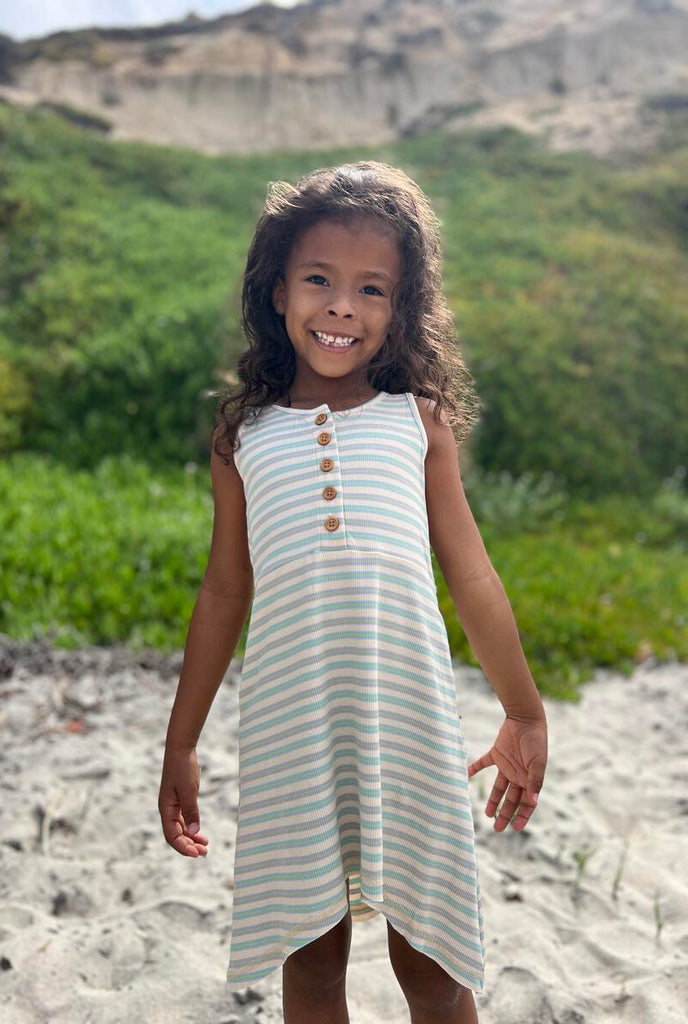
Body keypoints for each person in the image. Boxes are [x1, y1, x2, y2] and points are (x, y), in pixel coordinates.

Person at [158, 160, 548, 1024]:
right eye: (319, 281)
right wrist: (181, 743)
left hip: (409, 723)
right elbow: (223, 592)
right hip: (291, 729)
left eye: (372, 289)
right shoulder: (242, 436)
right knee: (311, 959)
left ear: (401, 308)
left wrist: (524, 712)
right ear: (277, 292)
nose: (342, 307)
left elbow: (473, 575)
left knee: (433, 966)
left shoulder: (418, 421)